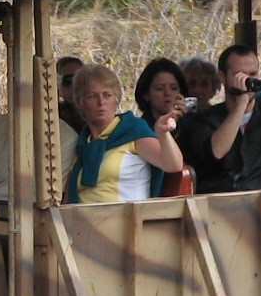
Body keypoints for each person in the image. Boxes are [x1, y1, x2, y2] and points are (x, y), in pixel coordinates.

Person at [176, 44, 261, 194]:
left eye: (253, 74)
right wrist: (240, 106)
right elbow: (216, 152)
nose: (247, 81)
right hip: (219, 207)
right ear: (222, 77)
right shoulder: (204, 118)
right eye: (239, 75)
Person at [66, 64, 183, 203]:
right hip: (80, 221)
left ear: (116, 100)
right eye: (92, 96)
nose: (101, 102)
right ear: (81, 102)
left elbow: (173, 165)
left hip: (127, 221)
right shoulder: (83, 143)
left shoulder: (133, 130)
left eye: (107, 95)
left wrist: (163, 135)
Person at [134, 58, 189, 125]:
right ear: (146, 95)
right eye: (160, 88)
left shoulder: (193, 125)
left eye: (174, 88)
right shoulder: (138, 129)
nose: (167, 93)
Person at [56, 55, 84, 134]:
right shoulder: (53, 115)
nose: (76, 85)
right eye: (68, 80)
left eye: (81, 78)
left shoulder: (100, 110)